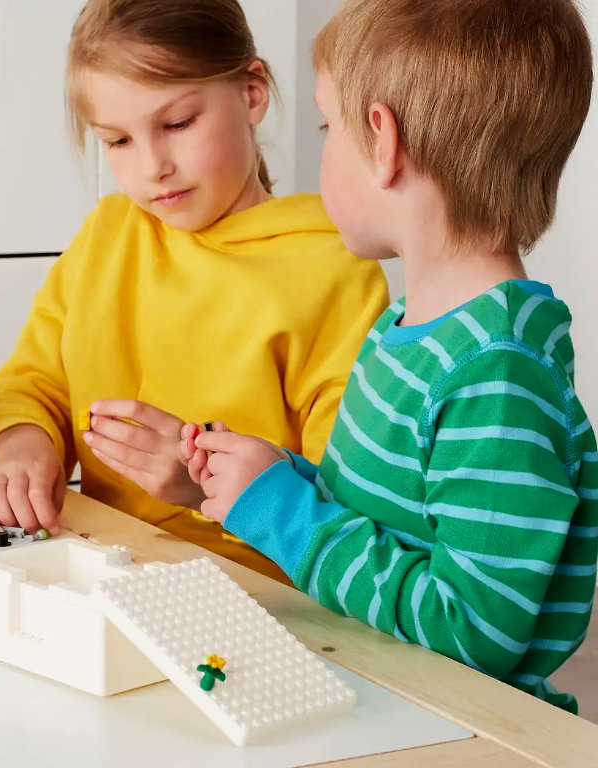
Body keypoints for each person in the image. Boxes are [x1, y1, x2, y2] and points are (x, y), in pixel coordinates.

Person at [180, 0, 597, 710]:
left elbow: (474, 635)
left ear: (382, 139)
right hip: (376, 692)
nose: (320, 148)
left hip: (460, 726)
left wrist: (288, 515)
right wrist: (280, 478)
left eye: (326, 126)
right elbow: (392, 523)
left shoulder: (495, 374)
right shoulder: (412, 327)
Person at [0, 0, 388, 580]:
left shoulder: (333, 267)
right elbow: (31, 384)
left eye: (178, 124)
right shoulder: (108, 237)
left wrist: (204, 483)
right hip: (99, 567)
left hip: (255, 590)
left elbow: (347, 504)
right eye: (118, 141)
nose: (153, 166)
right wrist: (22, 442)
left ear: (252, 93)